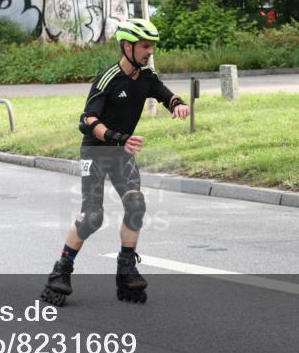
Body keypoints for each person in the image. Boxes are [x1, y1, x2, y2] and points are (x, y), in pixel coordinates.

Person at [40, 18, 190, 307]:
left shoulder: (146, 75)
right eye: (145, 46)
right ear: (127, 45)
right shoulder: (108, 77)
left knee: (136, 205)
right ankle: (61, 270)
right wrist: (118, 138)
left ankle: (126, 269)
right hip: (96, 152)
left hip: (122, 151)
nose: (150, 52)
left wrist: (178, 104)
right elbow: (87, 121)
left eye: (152, 47)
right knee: (93, 216)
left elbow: (165, 95)